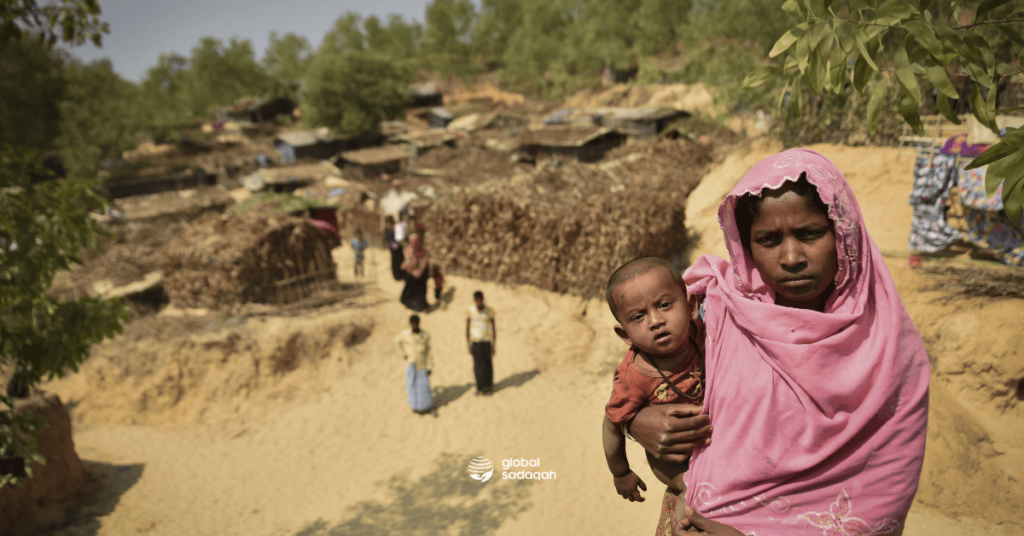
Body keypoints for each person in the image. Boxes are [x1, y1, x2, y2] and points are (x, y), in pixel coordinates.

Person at [626, 149, 930, 536]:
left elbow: (882, 496)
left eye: (809, 234)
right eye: (768, 239)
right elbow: (635, 380)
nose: (791, 257)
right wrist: (637, 422)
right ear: (746, 247)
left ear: (843, 232)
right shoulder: (711, 310)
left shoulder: (888, 347)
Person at [601, 257, 705, 532]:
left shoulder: (702, 332)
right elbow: (612, 422)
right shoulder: (633, 377)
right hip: (671, 460)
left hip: (708, 440)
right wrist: (620, 472)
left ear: (691, 306)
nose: (656, 321)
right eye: (638, 316)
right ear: (626, 335)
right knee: (694, 490)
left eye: (664, 305)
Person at [396, 315, 437, 417]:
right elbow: (397, 341)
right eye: (412, 323)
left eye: (416, 323)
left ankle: (427, 407)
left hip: (422, 365)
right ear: (410, 324)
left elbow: (429, 351)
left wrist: (430, 366)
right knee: (412, 387)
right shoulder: (405, 334)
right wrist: (403, 354)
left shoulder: (425, 335)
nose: (414, 325)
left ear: (419, 323)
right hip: (411, 364)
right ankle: (416, 407)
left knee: (424, 387)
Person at [466, 291, 496, 396]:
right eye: (477, 300)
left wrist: (493, 346)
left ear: (483, 299)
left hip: (486, 342)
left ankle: (488, 387)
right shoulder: (470, 311)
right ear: (474, 300)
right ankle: (479, 387)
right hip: (476, 342)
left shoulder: (489, 311)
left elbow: (494, 328)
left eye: (480, 299)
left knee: (487, 364)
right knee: (478, 365)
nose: (479, 302)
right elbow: (467, 328)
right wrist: (468, 345)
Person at [400, 233, 430, 312]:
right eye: (412, 242)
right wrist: (406, 266)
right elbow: (408, 261)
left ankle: (422, 307)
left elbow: (424, 263)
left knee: (420, 292)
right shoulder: (410, 250)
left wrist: (418, 271)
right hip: (413, 274)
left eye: (415, 242)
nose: (413, 244)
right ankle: (411, 305)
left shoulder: (423, 251)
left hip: (421, 275)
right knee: (409, 292)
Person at [385, 215, 404, 281]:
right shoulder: (387, 229)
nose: (389, 224)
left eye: (390, 222)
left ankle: (401, 274)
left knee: (400, 260)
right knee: (394, 261)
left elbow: (400, 237)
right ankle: (396, 275)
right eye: (388, 222)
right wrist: (395, 246)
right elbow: (388, 239)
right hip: (393, 247)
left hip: (399, 247)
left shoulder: (396, 228)